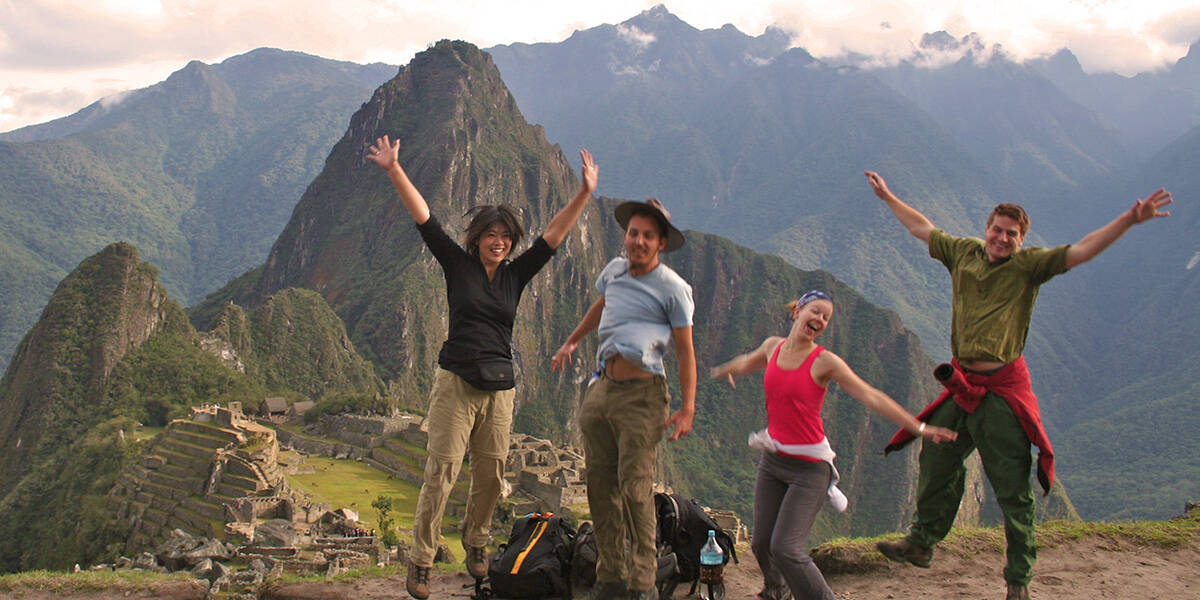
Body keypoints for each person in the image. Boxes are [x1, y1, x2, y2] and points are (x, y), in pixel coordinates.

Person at [863, 170, 1172, 600]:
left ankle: (1018, 580)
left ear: (1021, 239)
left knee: (1011, 487)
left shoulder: (1029, 268)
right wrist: (889, 196)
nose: (1002, 238)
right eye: (997, 230)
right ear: (986, 229)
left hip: (1000, 394)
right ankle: (921, 543)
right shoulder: (964, 253)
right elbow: (923, 227)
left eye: (1011, 234)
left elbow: (1081, 252)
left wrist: (1129, 219)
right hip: (962, 384)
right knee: (936, 459)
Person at [367, 135, 598, 600]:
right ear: (478, 239)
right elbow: (425, 219)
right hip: (455, 383)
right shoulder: (457, 265)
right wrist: (394, 169)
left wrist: (583, 193)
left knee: (492, 476)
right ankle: (422, 561)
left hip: (500, 389)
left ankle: (476, 543)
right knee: (442, 472)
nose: (499, 242)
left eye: (505, 237)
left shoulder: (516, 275)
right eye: (491, 235)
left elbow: (552, 237)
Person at [710, 290, 957, 600]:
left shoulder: (825, 362)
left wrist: (919, 427)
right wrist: (725, 369)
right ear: (797, 311)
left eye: (826, 317)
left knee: (785, 548)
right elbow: (749, 361)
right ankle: (777, 591)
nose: (820, 320)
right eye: (815, 311)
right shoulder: (773, 346)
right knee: (761, 543)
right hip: (774, 459)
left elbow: (871, 396)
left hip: (810, 469)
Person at [551, 198, 696, 600]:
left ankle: (643, 581)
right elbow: (602, 305)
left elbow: (685, 351)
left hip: (643, 396)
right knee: (600, 486)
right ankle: (610, 576)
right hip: (602, 388)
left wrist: (687, 407)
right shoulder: (614, 272)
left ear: (661, 243)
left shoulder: (673, 290)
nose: (639, 241)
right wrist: (572, 341)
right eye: (634, 233)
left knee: (635, 489)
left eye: (648, 236)